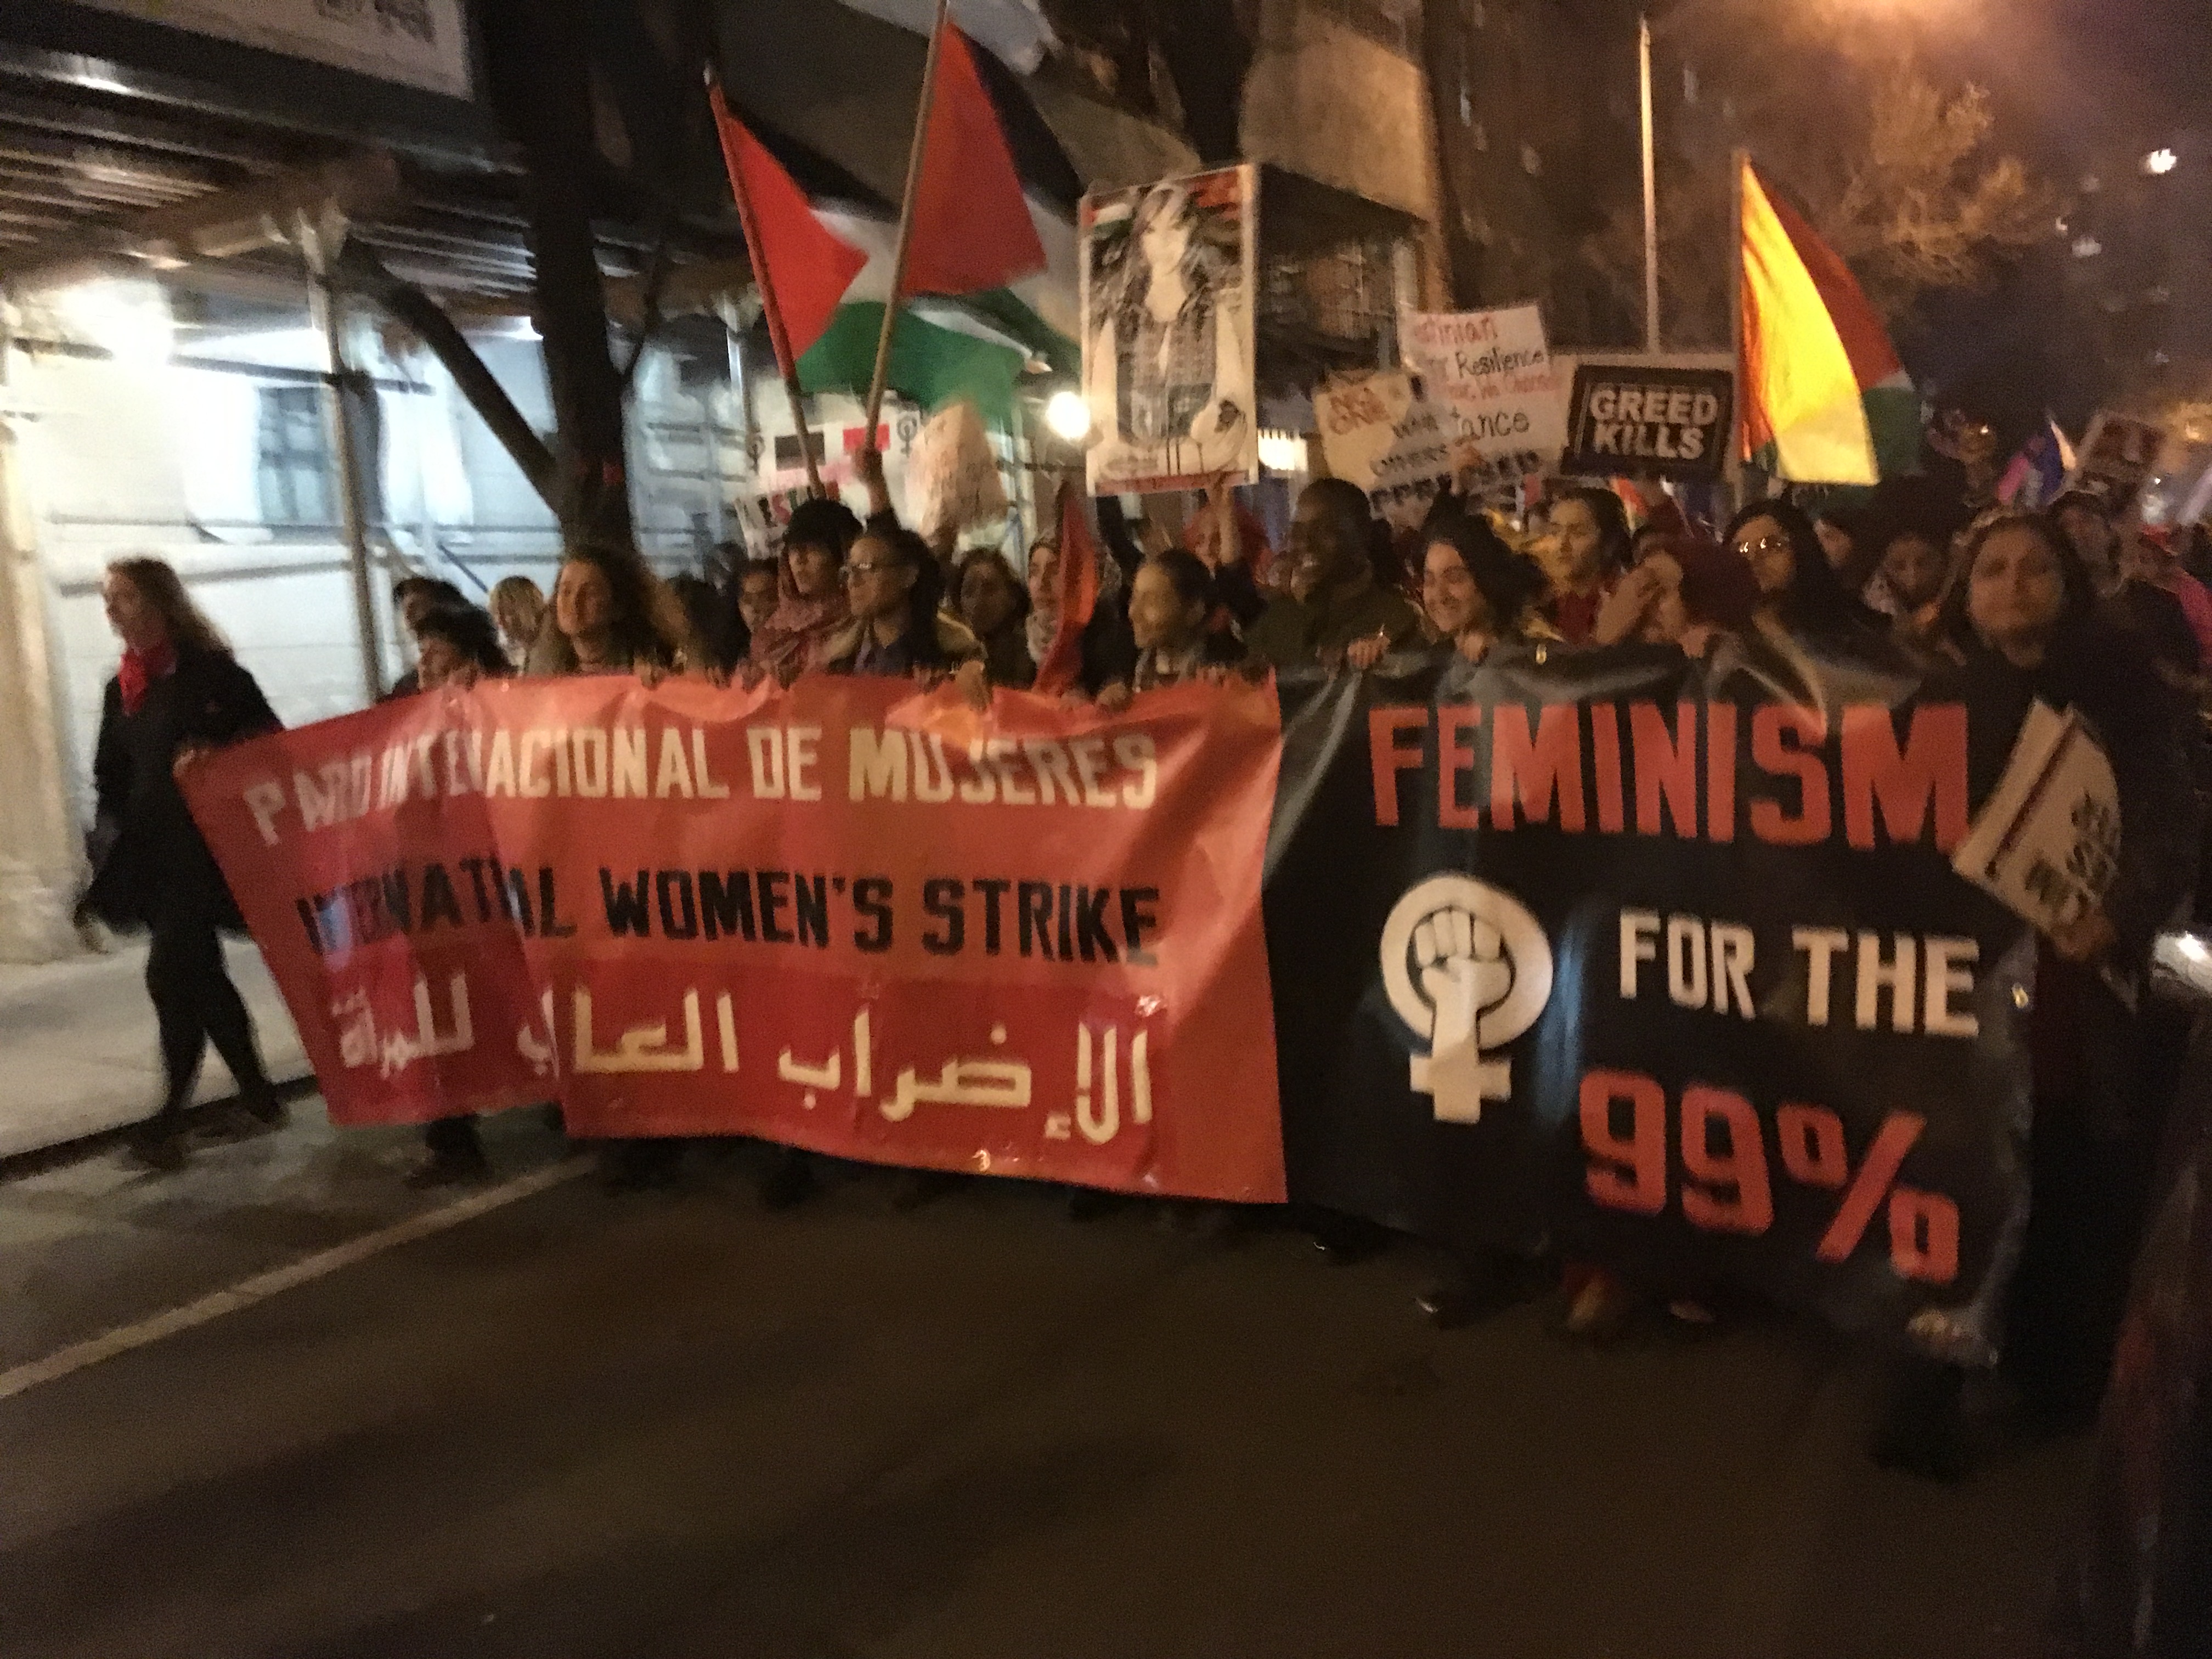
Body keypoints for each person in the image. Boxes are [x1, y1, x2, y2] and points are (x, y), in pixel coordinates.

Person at [1877, 509, 2204, 1477]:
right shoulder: (1936, 701)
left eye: (2032, 569)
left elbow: (2169, 823)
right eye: (1992, 571)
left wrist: (2113, 916)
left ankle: (2055, 1373)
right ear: (1966, 596)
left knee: (2065, 1170)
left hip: (2073, 979)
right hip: (1964, 973)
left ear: (2066, 585)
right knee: (1961, 1163)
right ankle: (1930, 1385)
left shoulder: (2123, 694)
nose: (2012, 585)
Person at [82, 558, 284, 1171]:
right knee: (201, 976)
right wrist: (108, 846)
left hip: (208, 853)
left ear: (159, 603)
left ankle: (168, 1119)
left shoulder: (215, 677)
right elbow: (110, 776)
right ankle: (259, 1098)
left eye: (123, 597)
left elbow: (272, 746)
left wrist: (217, 754)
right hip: (154, 858)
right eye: (107, 599)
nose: (111, 610)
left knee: (171, 975)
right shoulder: (123, 689)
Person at [400, 604, 513, 1187]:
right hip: (434, 887)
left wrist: (476, 703)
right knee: (441, 1008)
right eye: (421, 652)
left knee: (517, 995)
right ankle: (451, 1137)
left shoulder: (501, 703)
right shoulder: (401, 709)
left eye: (438, 653)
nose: (424, 664)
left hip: (501, 884)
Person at [1243, 478, 1422, 670]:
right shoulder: (1275, 620)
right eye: (1298, 531)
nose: (1306, 543)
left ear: (1362, 535)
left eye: (1323, 531)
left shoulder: (1397, 621)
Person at [1346, 508, 1554, 671]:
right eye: (1429, 581)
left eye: (1455, 578)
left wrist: (1501, 655)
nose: (1439, 595)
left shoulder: (1536, 650)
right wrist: (1373, 654)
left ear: (1489, 581)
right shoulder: (1419, 649)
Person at [822, 523, 986, 689]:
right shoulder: (842, 656)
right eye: (849, 570)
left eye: (866, 567)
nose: (853, 581)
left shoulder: (956, 652)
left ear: (908, 576)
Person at [1095, 548, 1242, 708]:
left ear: (1194, 611)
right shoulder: (1131, 673)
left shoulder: (1225, 672)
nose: (1133, 612)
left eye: (1151, 602)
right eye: (1134, 598)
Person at [525, 545, 691, 679]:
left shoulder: (652, 667)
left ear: (618, 606)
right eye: (566, 591)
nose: (575, 602)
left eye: (590, 593)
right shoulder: (543, 671)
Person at [748, 497, 862, 686]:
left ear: (843, 558)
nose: (799, 560)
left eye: (813, 548)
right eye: (793, 549)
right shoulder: (777, 630)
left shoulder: (864, 624)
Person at [1541, 487, 1632, 644]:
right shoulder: (1546, 600)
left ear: (1609, 542)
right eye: (1555, 532)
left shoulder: (1625, 599)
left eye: (1578, 533)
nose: (1562, 544)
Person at [957, 548, 1036, 691]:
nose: (978, 602)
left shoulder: (1033, 651)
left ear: (1012, 597)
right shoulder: (956, 651)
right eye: (969, 591)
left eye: (990, 590)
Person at [386, 575, 469, 699]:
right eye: (405, 609)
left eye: (416, 607)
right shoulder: (406, 688)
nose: (408, 617)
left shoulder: (483, 680)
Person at [488, 575, 547, 668]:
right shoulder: (503, 651)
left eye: (508, 612)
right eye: (496, 613)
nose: (499, 620)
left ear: (528, 610)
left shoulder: (550, 652)